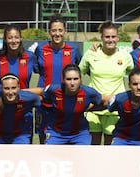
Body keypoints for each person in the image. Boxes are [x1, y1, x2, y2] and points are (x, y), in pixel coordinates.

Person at [79, 20, 134, 145]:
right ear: (102, 38)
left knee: (111, 148)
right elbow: (78, 74)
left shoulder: (125, 57)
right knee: (93, 147)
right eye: (107, 37)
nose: (110, 40)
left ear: (118, 37)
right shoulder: (91, 53)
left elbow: (134, 77)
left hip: (114, 109)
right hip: (93, 108)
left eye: (113, 36)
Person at [28, 64, 107, 145]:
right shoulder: (54, 89)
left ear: (80, 79)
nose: (72, 83)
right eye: (69, 79)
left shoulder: (89, 92)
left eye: (76, 79)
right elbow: (40, 91)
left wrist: (89, 108)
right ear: (63, 80)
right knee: (50, 155)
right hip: (56, 133)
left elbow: (105, 101)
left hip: (80, 134)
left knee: (84, 155)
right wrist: (19, 92)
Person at [35, 13, 82, 144]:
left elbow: (80, 68)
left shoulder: (74, 49)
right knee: (43, 138)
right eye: (54, 30)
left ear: (65, 31)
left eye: (60, 30)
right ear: (49, 32)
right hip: (44, 102)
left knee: (68, 137)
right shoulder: (40, 49)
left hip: (67, 102)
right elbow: (37, 69)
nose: (57, 34)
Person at [0, 73, 41, 144]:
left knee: (21, 154)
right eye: (6, 88)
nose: (10, 92)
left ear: (18, 87)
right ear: (1, 88)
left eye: (13, 88)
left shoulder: (29, 98)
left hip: (20, 135)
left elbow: (43, 101)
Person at [0, 23, 38, 89]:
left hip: (24, 98)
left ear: (21, 38)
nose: (13, 41)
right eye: (10, 38)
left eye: (16, 37)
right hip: (2, 98)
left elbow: (43, 71)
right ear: (5, 39)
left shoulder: (30, 57)